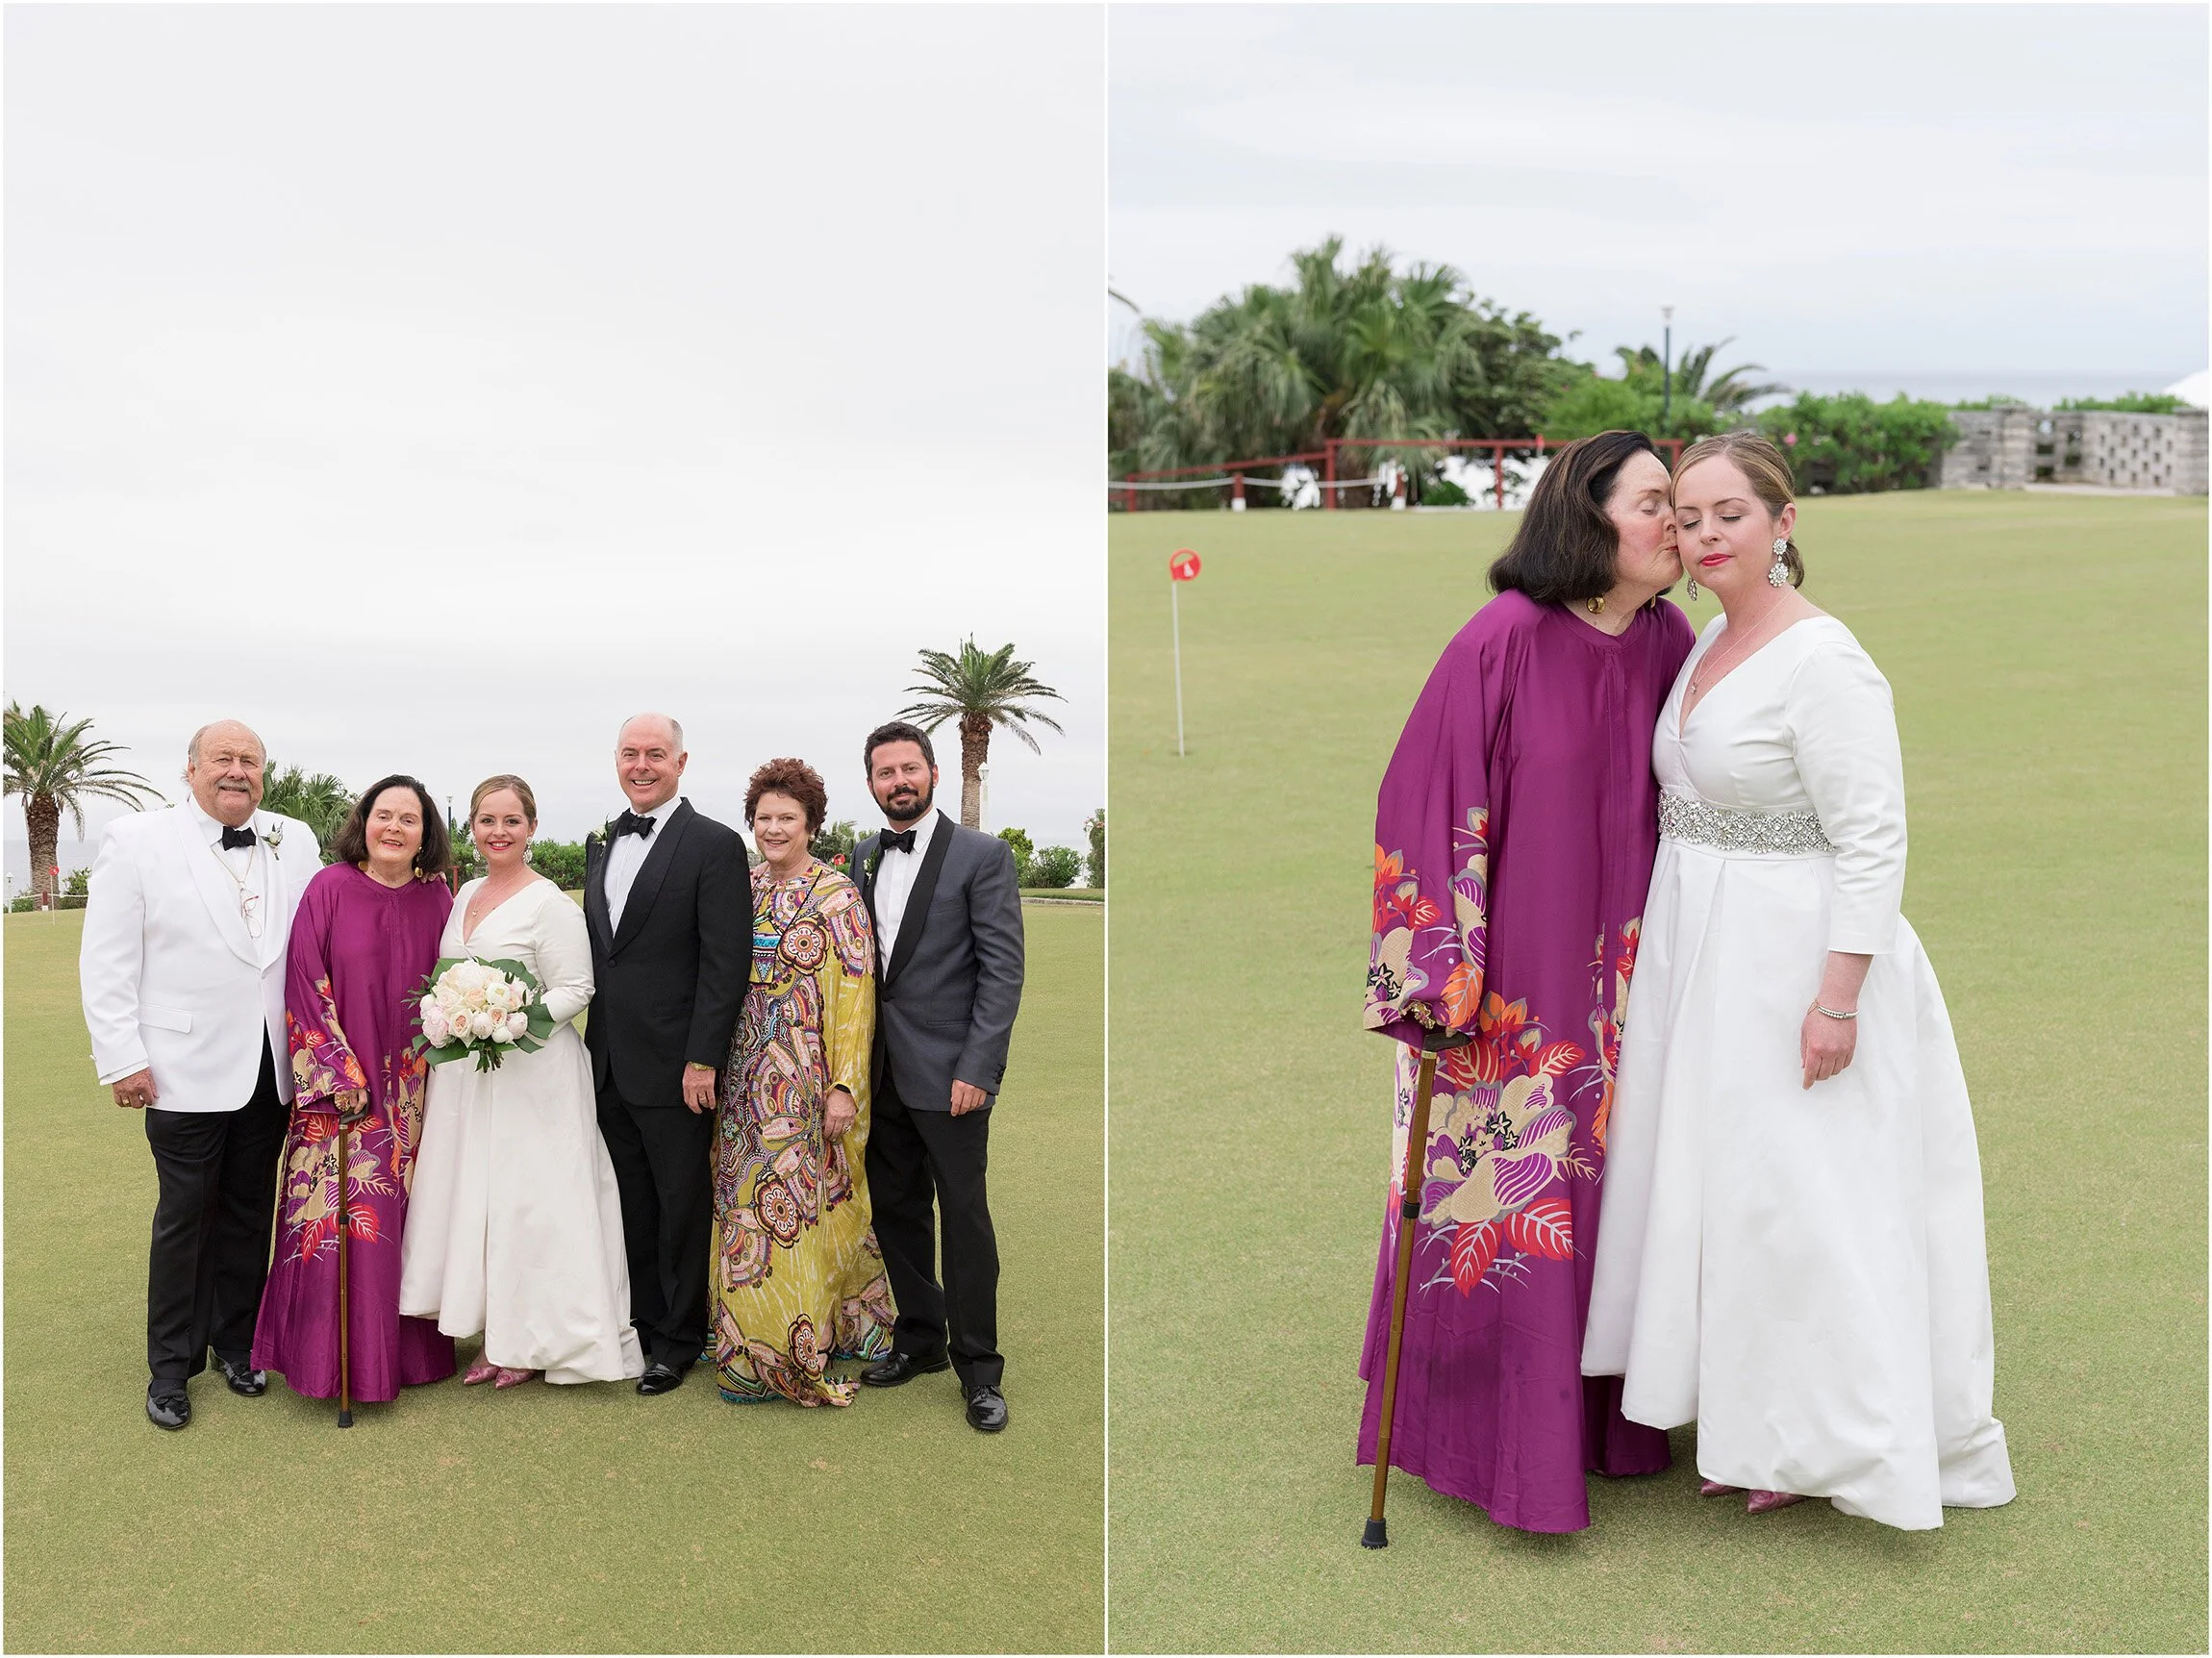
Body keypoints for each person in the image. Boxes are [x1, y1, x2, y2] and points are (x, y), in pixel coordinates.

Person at [1582, 433, 2015, 1528]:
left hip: (1794, 962)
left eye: (1729, 512)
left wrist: (1835, 998)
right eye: (1684, 516)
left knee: (1804, 1198)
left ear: (1782, 523)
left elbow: (1872, 838)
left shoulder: (1822, 660)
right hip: (1702, 958)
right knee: (1728, 1190)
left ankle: (1826, 1434)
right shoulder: (1698, 642)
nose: (1702, 534)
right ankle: (1742, 1414)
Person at [1358, 431, 1696, 1532]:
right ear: (1585, 512)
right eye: (1653, 503)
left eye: (1679, 506)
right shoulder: (1499, 639)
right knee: (1508, 1207)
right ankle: (1494, 1446)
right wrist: (1437, 973)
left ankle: (1609, 1421)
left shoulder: (1667, 640)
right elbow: (1419, 797)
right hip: (1504, 997)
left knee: (1620, 1184)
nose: (1674, 527)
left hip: (1633, 982)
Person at [79, 719, 325, 1430]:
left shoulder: (294, 838)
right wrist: (124, 1057)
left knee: (250, 1210)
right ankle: (171, 1368)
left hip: (270, 1069)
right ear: (190, 770)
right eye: (223, 759)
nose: (237, 772)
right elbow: (108, 958)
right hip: (180, 1069)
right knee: (185, 1217)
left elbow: (320, 927)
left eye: (250, 761)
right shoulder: (138, 841)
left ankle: (236, 1344)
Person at [399, 775, 643, 1388]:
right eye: (487, 820)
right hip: (469, 1076)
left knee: (532, 1200)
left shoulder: (550, 904)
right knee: (481, 1196)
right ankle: (492, 1330)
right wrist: (455, 1019)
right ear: (472, 828)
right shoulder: (465, 895)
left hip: (533, 1072)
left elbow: (576, 989)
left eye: (512, 821)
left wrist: (508, 1023)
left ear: (531, 828)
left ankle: (538, 1340)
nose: (498, 832)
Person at [252, 775, 459, 1404]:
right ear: (363, 822)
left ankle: (410, 1359)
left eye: (410, 819)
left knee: (412, 1218)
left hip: (420, 1094)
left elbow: (456, 985)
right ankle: (330, 1367)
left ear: (427, 834)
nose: (394, 828)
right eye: (383, 815)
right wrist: (338, 1074)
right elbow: (303, 982)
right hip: (345, 1092)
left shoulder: (438, 898)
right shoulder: (329, 889)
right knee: (346, 1225)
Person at [851, 720, 1025, 1433]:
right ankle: (919, 1340)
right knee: (895, 1213)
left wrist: (978, 1068)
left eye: (909, 768)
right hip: (879, 1072)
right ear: (871, 783)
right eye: (885, 771)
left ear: (932, 773)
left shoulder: (983, 856)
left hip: (954, 1076)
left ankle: (979, 1370)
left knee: (964, 1218)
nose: (899, 781)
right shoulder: (861, 856)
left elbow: (1002, 971)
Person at [709, 758, 895, 1405]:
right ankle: (745, 1349)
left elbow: (856, 998)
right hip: (741, 1084)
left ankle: (808, 1341)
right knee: (745, 1214)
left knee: (804, 1213)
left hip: (809, 1086)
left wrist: (844, 1085)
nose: (774, 828)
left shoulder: (838, 896)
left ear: (812, 823)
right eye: (764, 818)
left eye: (787, 817)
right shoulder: (745, 887)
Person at [580, 713, 748, 1395]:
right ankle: (641, 1325)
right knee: (629, 1204)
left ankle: (678, 1341)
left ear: (682, 763)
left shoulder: (714, 844)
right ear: (615, 761)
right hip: (607, 1062)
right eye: (630, 753)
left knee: (681, 1203)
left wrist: (703, 1058)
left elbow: (724, 961)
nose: (641, 764)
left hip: (679, 1067)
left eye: (656, 754)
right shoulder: (601, 843)